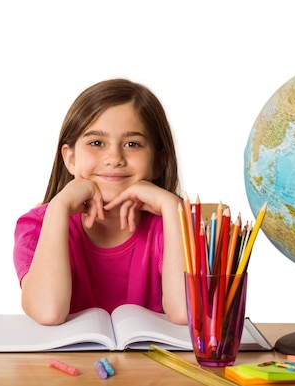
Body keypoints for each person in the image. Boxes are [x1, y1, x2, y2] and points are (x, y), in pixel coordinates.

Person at [13, 78, 187, 326]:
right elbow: (47, 311)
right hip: (66, 364)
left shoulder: (175, 225)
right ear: (70, 158)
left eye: (132, 144)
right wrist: (59, 206)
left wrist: (172, 208)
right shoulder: (37, 226)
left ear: (158, 162)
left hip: (151, 365)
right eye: (96, 143)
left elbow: (185, 313)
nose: (114, 158)